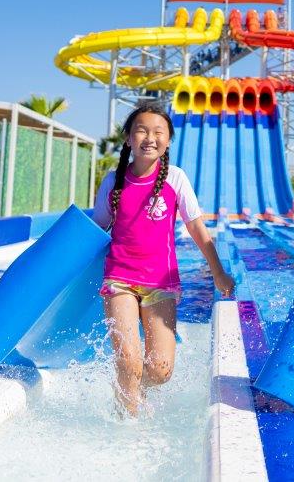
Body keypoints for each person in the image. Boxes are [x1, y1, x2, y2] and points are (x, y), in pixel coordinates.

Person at [91, 101, 235, 415]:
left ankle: (133, 392)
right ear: (128, 138)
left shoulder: (176, 179)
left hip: (160, 281)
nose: (150, 137)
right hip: (119, 280)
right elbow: (96, 229)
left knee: (159, 370)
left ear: (168, 140)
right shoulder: (112, 182)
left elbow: (196, 228)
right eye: (141, 130)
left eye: (159, 132)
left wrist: (219, 273)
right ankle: (127, 422)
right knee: (129, 362)